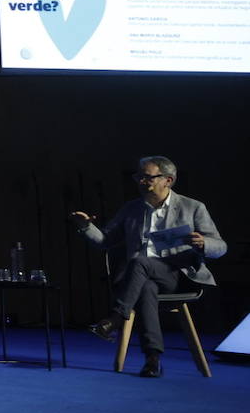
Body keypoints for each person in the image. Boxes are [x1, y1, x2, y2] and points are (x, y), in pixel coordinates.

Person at [71, 156, 225, 378]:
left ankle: (115, 318)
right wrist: (85, 226)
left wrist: (204, 243)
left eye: (147, 177)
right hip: (140, 279)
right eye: (139, 177)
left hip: (177, 276)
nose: (141, 181)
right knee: (146, 286)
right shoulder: (131, 209)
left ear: (168, 180)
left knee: (139, 262)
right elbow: (105, 241)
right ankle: (152, 359)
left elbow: (221, 247)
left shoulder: (192, 207)